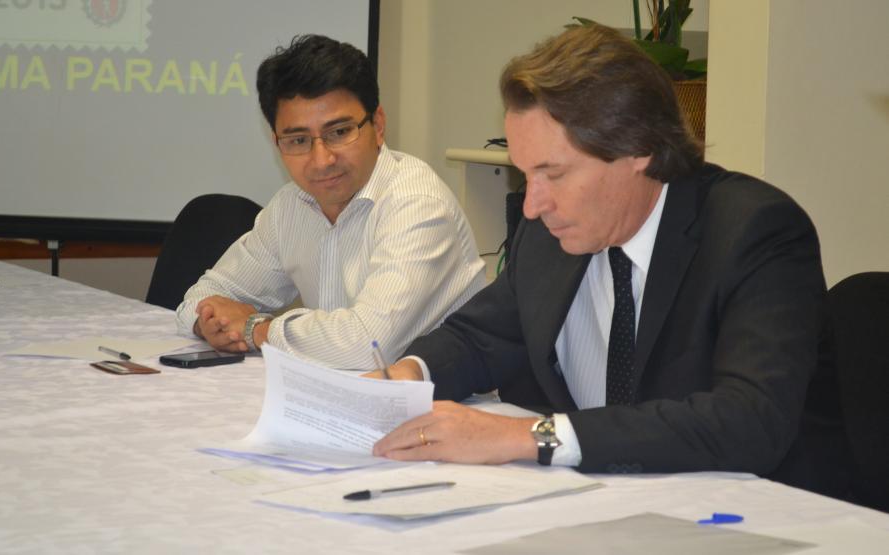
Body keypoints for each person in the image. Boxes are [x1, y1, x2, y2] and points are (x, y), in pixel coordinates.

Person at [372, 24, 843, 489]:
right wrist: (406, 377)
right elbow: (482, 337)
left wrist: (528, 436)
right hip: (602, 504)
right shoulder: (549, 233)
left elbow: (749, 420)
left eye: (554, 174)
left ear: (638, 147)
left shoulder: (754, 232)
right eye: (524, 175)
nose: (532, 205)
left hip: (751, 510)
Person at [175, 35, 485, 370]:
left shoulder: (417, 204)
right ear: (277, 143)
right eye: (298, 140)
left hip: (437, 396)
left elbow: (369, 345)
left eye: (339, 132)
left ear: (378, 125)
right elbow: (203, 296)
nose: (322, 160)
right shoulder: (291, 206)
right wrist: (209, 322)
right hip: (336, 391)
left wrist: (255, 330)